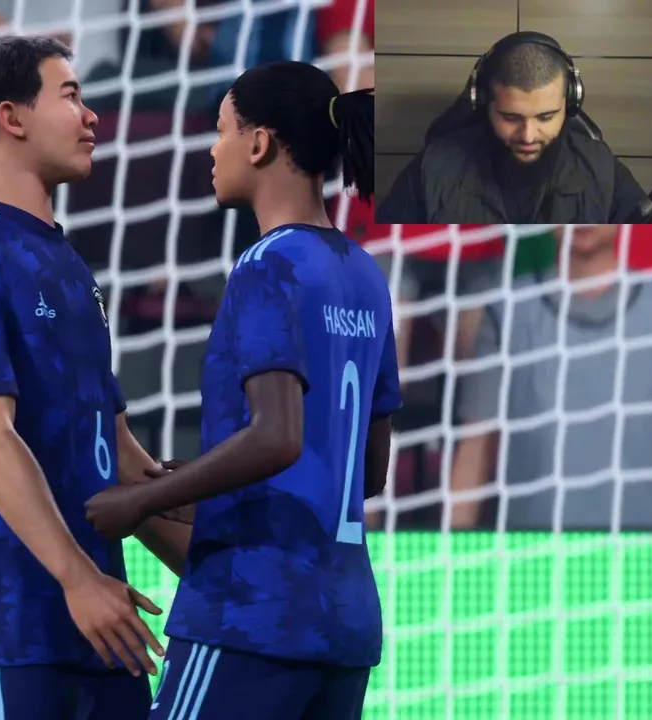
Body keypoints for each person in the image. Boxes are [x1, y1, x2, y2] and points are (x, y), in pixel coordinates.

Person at [84, 61, 398, 719]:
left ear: (259, 144)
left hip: (251, 615)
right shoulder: (365, 274)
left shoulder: (268, 264)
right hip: (346, 625)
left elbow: (277, 437)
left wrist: (144, 500)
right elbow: (366, 472)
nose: (213, 148)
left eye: (222, 129)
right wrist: (204, 487)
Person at [0, 36, 191, 720]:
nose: (90, 115)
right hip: (14, 630)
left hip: (108, 629)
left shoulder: (68, 264)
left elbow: (119, 454)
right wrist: (78, 579)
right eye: (70, 95)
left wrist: (223, 577)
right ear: (12, 117)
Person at [449, 224, 652, 531]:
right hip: (533, 552)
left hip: (645, 555)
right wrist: (448, 548)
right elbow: (475, 450)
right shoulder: (507, 312)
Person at [377, 32, 646, 223]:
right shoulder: (432, 169)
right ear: (483, 103)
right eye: (510, 117)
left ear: (570, 103)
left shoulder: (601, 169)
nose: (528, 135)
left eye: (546, 117)